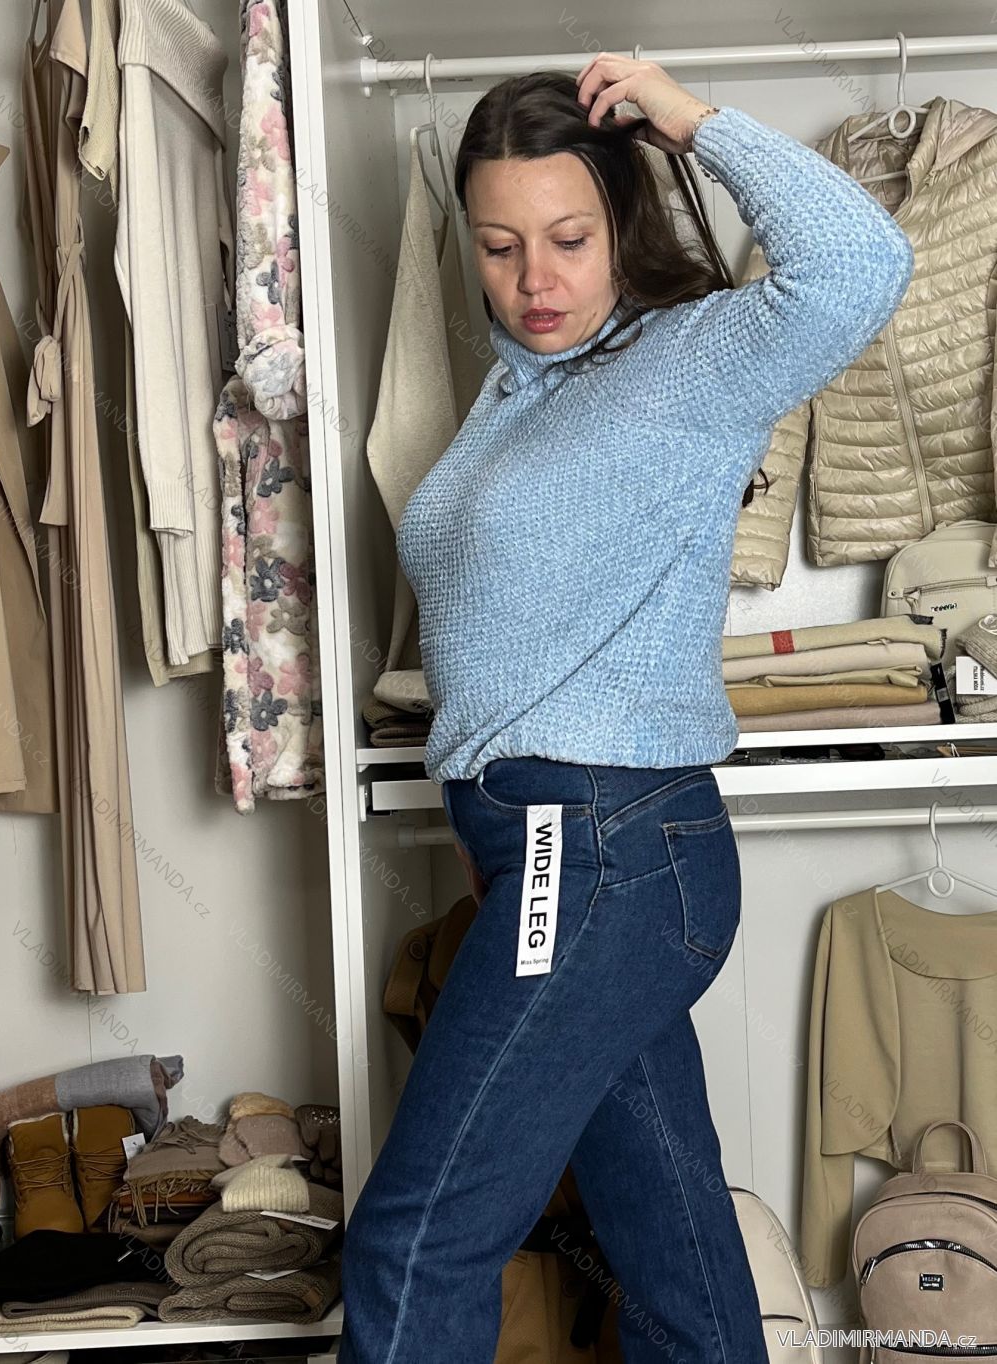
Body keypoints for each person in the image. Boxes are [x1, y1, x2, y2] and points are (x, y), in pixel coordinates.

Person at [337, 53, 914, 1364]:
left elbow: (863, 262)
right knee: (673, 1248)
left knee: (414, 1240)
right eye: (499, 247)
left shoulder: (688, 361)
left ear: (623, 220)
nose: (535, 280)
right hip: (558, 858)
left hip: (603, 850)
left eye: (569, 239)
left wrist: (690, 119)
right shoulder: (513, 391)